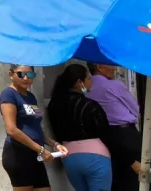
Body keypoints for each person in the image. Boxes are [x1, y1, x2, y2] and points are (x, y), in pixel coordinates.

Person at [0, 64, 66, 191]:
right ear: (11, 75)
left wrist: (55, 144)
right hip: (18, 154)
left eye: (30, 74)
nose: (25, 78)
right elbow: (11, 130)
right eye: (20, 74)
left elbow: (35, 128)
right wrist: (41, 150)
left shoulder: (31, 97)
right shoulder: (8, 95)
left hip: (35, 154)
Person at [47, 63, 112, 191]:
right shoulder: (90, 105)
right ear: (79, 82)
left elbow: (57, 131)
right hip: (96, 158)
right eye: (88, 78)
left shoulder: (53, 105)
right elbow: (106, 132)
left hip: (69, 158)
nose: (91, 81)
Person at [87, 62, 143, 191]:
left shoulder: (87, 88)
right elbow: (135, 109)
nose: (114, 68)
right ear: (99, 67)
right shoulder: (114, 85)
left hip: (104, 137)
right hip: (125, 133)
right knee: (135, 175)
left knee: (116, 177)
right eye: (110, 65)